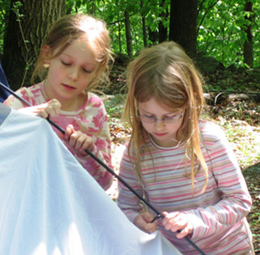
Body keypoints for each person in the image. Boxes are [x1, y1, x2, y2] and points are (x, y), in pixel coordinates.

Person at [117, 41, 254, 254]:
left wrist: (195, 220)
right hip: (174, 250)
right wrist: (136, 219)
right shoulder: (136, 151)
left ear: (189, 104)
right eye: (149, 116)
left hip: (229, 247)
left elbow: (240, 201)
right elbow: (125, 207)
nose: (159, 125)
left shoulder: (209, 140)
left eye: (170, 116)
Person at [4, 14, 113, 190]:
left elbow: (106, 183)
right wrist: (20, 121)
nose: (74, 76)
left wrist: (88, 152)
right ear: (48, 54)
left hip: (77, 210)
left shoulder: (94, 108)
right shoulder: (21, 102)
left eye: (86, 70)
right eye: (66, 63)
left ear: (97, 71)